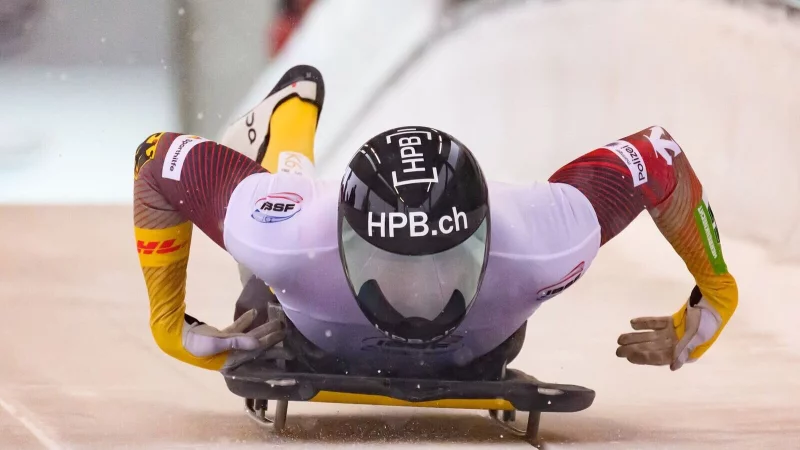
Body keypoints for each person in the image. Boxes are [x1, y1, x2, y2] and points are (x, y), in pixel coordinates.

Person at [133, 65, 737, 377]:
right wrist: (166, 324)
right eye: (391, 263)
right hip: (353, 302)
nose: (418, 293)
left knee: (272, 264)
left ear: (485, 236)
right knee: (273, 239)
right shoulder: (286, 234)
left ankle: (294, 112)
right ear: (344, 241)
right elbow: (156, 159)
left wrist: (717, 295)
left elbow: (659, 154)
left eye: (444, 260)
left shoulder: (540, 238)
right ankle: (288, 116)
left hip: (325, 327)